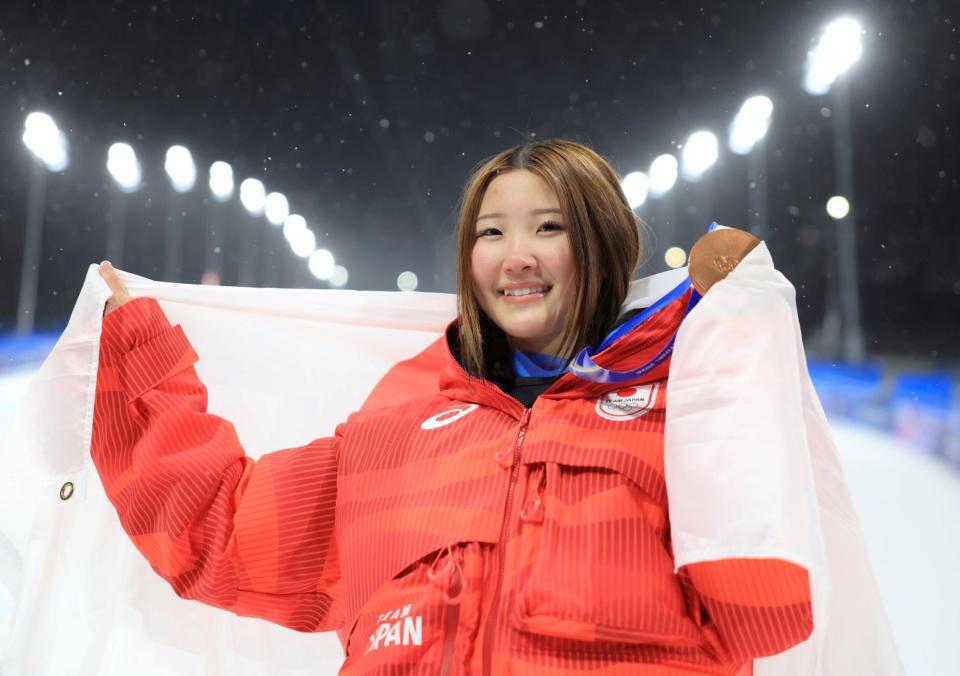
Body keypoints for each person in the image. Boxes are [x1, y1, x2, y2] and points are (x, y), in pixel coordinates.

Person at [92, 139, 813, 675]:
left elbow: (764, 608)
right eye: (490, 232)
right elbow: (215, 529)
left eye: (549, 228)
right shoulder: (398, 425)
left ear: (603, 247)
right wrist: (144, 354)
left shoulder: (682, 413)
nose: (515, 256)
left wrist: (734, 332)